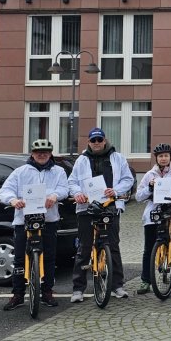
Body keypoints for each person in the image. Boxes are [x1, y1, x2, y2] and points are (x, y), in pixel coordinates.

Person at [0, 139, 69, 310]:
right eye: (38, 152)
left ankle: (47, 292)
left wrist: (55, 195)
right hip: (23, 220)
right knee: (19, 259)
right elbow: (5, 190)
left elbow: (64, 189)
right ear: (32, 153)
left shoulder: (58, 171)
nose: (42, 154)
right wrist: (13, 200)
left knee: (49, 258)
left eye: (45, 152)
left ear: (50, 153)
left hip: (49, 220)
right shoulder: (20, 172)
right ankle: (18, 295)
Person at [68, 127, 135, 303]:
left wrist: (116, 190)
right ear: (89, 142)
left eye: (99, 140)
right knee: (84, 247)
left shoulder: (118, 158)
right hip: (86, 207)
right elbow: (72, 182)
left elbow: (128, 179)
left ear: (104, 141)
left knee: (112, 246)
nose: (96, 143)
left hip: (110, 205)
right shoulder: (81, 160)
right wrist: (77, 193)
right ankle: (78, 289)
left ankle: (117, 286)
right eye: (93, 140)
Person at [134, 143, 171, 296]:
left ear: (170, 157)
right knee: (149, 248)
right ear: (156, 158)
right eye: (161, 156)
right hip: (153, 216)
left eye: (166, 156)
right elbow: (138, 197)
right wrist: (150, 188)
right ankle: (146, 280)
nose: (163, 159)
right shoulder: (149, 175)